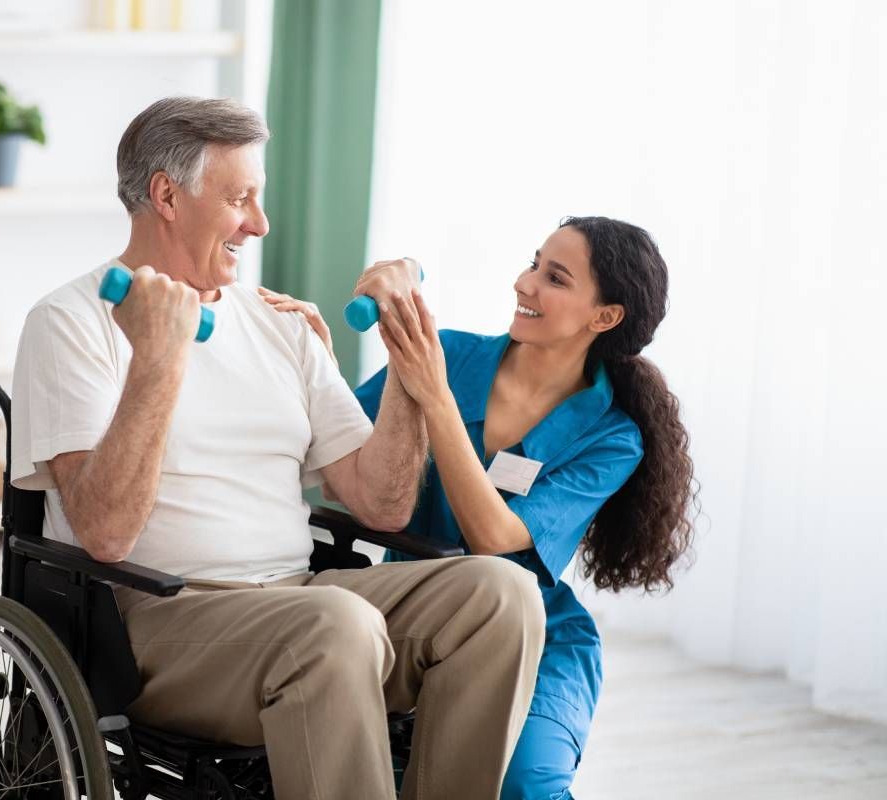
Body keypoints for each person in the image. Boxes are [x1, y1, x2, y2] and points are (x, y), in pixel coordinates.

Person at [9, 96, 546, 800]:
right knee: (335, 624)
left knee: (504, 594)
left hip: (301, 597)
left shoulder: (278, 323)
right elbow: (105, 533)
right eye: (240, 200)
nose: (259, 225)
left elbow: (381, 504)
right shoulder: (70, 321)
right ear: (167, 197)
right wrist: (159, 361)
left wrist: (408, 364)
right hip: (158, 624)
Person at [264, 216, 696, 799]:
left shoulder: (612, 437)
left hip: (536, 636)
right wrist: (320, 363)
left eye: (555, 278)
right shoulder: (448, 354)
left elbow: (493, 537)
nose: (525, 283)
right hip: (413, 611)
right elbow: (348, 476)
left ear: (605, 317)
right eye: (533, 262)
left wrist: (434, 397)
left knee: (523, 784)